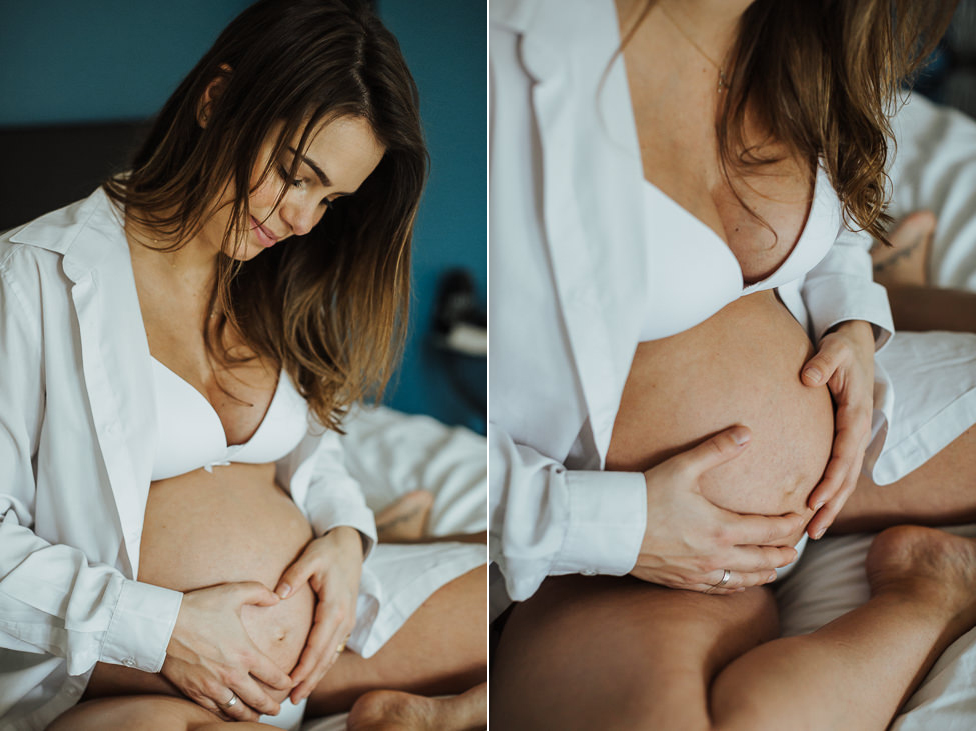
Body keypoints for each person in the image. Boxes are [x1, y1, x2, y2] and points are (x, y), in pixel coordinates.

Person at [489, 0, 976, 727]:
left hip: (854, 438)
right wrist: (626, 526)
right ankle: (934, 595)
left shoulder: (807, 26)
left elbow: (827, 211)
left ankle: (899, 286)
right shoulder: (501, 49)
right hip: (613, 543)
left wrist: (850, 314)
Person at [0, 1, 486, 729]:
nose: (301, 220)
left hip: (320, 644)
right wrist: (168, 628)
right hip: (132, 673)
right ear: (217, 98)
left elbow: (315, 455)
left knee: (533, 592)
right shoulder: (30, 278)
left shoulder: (271, 281)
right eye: (296, 175)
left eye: (331, 199)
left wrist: (348, 538)